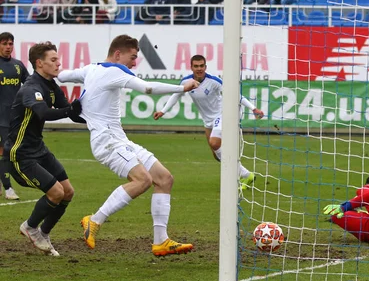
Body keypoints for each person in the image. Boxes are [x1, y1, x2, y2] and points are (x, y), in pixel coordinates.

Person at [57, 35, 199, 256]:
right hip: (107, 141)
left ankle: (161, 241)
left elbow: (63, 75)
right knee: (143, 180)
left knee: (164, 178)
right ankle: (94, 221)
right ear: (117, 54)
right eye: (133, 57)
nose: (134, 63)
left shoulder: (91, 69)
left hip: (119, 140)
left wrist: (53, 70)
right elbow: (148, 88)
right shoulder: (115, 71)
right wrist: (182, 88)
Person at [5, 42, 84, 256]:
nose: (59, 63)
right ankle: (30, 227)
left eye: (58, 59)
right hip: (20, 154)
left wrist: (94, 115)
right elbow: (43, 112)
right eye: (53, 60)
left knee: (68, 192)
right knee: (56, 192)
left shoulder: (51, 84)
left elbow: (70, 110)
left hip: (39, 149)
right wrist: (69, 110)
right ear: (39, 63)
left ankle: (44, 232)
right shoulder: (31, 87)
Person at [153, 55, 264, 190]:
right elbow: (176, 95)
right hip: (207, 120)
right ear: (191, 67)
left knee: (214, 143)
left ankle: (246, 175)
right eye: (196, 66)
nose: (199, 69)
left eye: (201, 66)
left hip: (222, 114)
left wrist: (253, 108)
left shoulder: (214, 81)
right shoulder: (185, 82)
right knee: (216, 155)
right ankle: (243, 174)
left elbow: (235, 95)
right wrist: (163, 111)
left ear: (205, 67)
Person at [0, 32, 29, 200]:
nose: (8, 46)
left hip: (12, 118)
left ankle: (5, 185)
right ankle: (8, 188)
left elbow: (30, 84)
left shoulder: (18, 65)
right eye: (4, 43)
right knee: (5, 152)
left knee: (7, 151)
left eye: (10, 43)